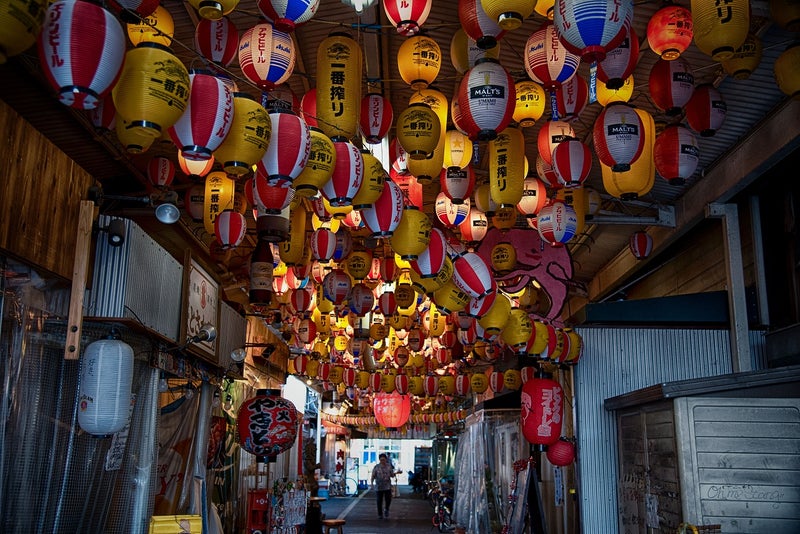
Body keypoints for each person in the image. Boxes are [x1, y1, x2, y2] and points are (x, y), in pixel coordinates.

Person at [370, 453, 396, 519]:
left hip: (387, 486)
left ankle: (386, 509)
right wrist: (372, 484)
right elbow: (373, 476)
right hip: (379, 486)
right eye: (381, 460)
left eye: (383, 460)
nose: (382, 461)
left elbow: (392, 475)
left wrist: (394, 474)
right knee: (379, 500)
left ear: (386, 459)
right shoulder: (376, 467)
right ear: (379, 460)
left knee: (388, 499)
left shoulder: (389, 466)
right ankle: (380, 514)